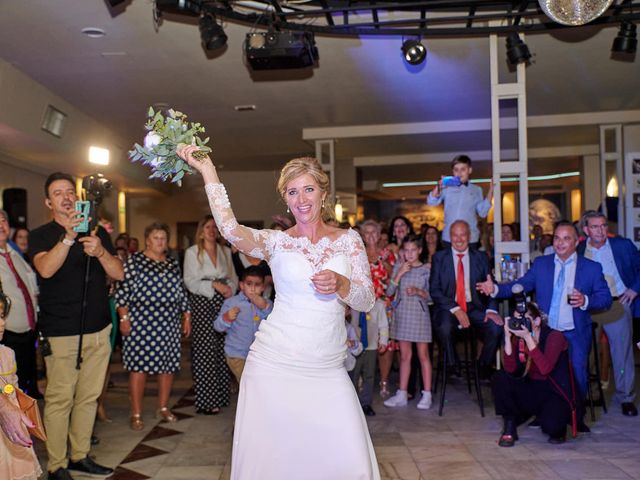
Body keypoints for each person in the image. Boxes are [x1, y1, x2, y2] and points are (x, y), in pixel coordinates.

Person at [177, 146, 379, 480]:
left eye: (308, 189)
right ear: (286, 199)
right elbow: (230, 230)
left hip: (327, 366)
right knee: (277, 462)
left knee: (347, 460)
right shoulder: (275, 242)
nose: (301, 199)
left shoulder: (349, 240)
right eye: (292, 192)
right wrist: (208, 170)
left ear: (323, 193)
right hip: (275, 362)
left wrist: (343, 283)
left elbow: (366, 299)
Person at [29, 172, 122, 480]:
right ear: (48, 202)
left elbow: (118, 273)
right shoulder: (41, 234)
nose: (66, 197)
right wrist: (68, 237)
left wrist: (101, 251)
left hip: (98, 328)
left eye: (70, 191)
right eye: (58, 193)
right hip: (61, 331)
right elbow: (45, 268)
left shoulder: (96, 230)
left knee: (88, 396)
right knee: (59, 399)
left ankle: (80, 456)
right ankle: (57, 465)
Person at [477, 220, 612, 430]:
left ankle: (576, 415)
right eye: (557, 238)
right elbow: (519, 286)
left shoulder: (591, 268)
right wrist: (494, 289)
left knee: (577, 373)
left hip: (574, 332)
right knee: (541, 372)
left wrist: (585, 300)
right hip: (546, 333)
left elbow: (605, 299)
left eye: (566, 238)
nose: (560, 243)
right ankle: (544, 410)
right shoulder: (542, 264)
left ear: (576, 242)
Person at [115, 222, 191, 430]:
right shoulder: (135, 261)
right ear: (147, 240)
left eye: (163, 238)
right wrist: (124, 318)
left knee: (167, 367)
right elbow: (122, 292)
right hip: (141, 323)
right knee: (139, 368)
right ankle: (136, 412)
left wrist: (186, 316)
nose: (160, 242)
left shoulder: (171, 263)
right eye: (156, 238)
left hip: (168, 323)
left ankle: (163, 407)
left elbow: (180, 292)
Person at [578, 210, 639, 417]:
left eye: (604, 225)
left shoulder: (622, 246)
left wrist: (634, 288)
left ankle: (626, 398)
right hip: (588, 307)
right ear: (586, 230)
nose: (601, 230)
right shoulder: (577, 250)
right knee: (588, 354)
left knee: (621, 355)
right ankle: (590, 395)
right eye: (595, 226)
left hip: (616, 304)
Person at [492, 302, 575, 446]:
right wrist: (507, 337)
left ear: (537, 321)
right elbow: (510, 369)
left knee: (552, 429)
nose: (520, 324)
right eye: (516, 320)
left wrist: (529, 339)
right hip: (531, 389)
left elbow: (545, 369)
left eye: (524, 320)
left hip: (553, 391)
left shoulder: (554, 337)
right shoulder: (519, 338)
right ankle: (510, 425)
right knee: (501, 378)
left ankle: (554, 422)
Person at [430, 220, 503, 377]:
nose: (459, 239)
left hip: (475, 307)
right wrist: (456, 309)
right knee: (444, 326)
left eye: (463, 234)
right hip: (449, 307)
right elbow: (434, 290)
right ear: (450, 237)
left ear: (469, 236)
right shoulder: (439, 258)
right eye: (455, 235)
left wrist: (491, 309)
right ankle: (452, 363)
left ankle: (482, 367)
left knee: (496, 327)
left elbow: (491, 285)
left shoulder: (481, 257)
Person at [183, 215, 238, 415]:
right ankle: (206, 401)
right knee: (204, 351)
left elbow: (233, 277)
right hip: (202, 303)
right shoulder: (192, 252)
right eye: (207, 227)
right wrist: (213, 285)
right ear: (201, 230)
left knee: (221, 350)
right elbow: (189, 281)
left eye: (215, 227)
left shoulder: (224, 251)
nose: (211, 230)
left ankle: (222, 396)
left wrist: (228, 289)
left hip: (222, 302)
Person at [383, 234, 433, 409]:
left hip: (419, 315)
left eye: (413, 250)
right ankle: (402, 393)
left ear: (419, 250)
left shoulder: (427, 269)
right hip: (403, 314)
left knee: (423, 355)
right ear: (402, 252)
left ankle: (427, 394)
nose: (410, 254)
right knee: (405, 356)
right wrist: (399, 274)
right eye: (406, 250)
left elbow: (432, 296)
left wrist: (420, 292)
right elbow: (389, 292)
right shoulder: (399, 266)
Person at [0, 211, 40, 398]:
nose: (1, 225)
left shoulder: (16, 254)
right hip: (6, 333)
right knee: (8, 389)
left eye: (4, 221)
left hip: (28, 331)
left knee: (22, 382)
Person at [213, 265, 273, 384]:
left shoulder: (266, 303)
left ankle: (251, 402)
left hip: (259, 355)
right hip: (237, 354)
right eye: (249, 284)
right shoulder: (231, 303)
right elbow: (218, 327)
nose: (252, 289)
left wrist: (265, 307)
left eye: (257, 285)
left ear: (263, 287)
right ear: (241, 286)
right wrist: (226, 318)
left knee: (257, 386)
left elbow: (274, 321)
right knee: (248, 384)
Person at [0, 315, 43, 480]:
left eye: (3, 316)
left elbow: (12, 384)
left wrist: (9, 390)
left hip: (13, 420)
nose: (3, 322)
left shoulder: (8, 354)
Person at [359, 219, 395, 398]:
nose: (371, 236)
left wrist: (382, 259)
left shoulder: (387, 253)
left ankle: (384, 381)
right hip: (363, 304)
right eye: (367, 232)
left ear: (380, 234)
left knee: (385, 344)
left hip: (384, 303)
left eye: (374, 232)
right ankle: (363, 379)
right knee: (365, 341)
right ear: (363, 236)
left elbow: (392, 276)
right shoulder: (358, 253)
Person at [427, 155, 494, 249]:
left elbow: (482, 212)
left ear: (470, 170)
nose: (459, 173)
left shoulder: (476, 189)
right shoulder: (447, 188)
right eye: (456, 170)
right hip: (449, 237)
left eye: (463, 169)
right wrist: (438, 187)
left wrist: (491, 190)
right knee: (449, 263)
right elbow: (431, 202)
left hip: (470, 237)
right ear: (453, 172)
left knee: (470, 263)